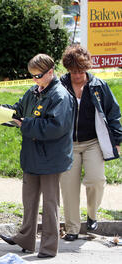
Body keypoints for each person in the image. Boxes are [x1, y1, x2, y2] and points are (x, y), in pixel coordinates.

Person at [0, 54, 74, 258]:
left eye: (38, 75)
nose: (34, 80)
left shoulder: (60, 96)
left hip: (51, 157)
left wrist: (26, 124)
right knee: (29, 200)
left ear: (51, 72)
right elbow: (18, 110)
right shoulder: (33, 92)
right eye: (31, 76)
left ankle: (49, 247)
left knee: (50, 204)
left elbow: (56, 127)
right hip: (32, 155)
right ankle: (25, 238)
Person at [59, 45, 122, 241]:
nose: (77, 76)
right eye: (73, 72)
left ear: (87, 68)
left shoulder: (99, 86)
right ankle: (72, 229)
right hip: (67, 144)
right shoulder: (60, 85)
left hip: (92, 142)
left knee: (96, 180)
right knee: (69, 187)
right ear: (68, 69)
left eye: (81, 71)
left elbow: (113, 113)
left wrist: (117, 139)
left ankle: (92, 214)